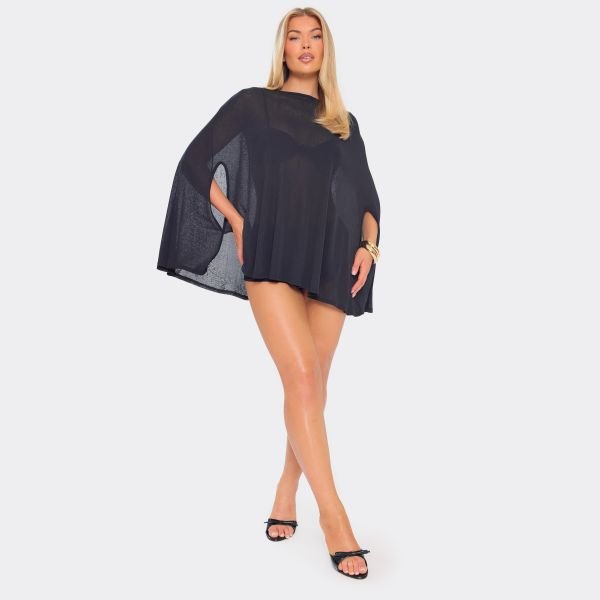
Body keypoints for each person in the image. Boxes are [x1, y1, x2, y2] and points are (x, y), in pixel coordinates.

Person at [157, 7, 381, 580]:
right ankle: (335, 518)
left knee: (313, 387)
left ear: (326, 50)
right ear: (282, 49)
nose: (305, 45)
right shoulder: (253, 104)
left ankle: (287, 488)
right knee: (301, 376)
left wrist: (369, 246)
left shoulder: (343, 122)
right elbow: (194, 163)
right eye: (294, 37)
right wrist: (237, 220)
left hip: (330, 259)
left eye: (315, 37)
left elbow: (367, 200)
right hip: (271, 253)